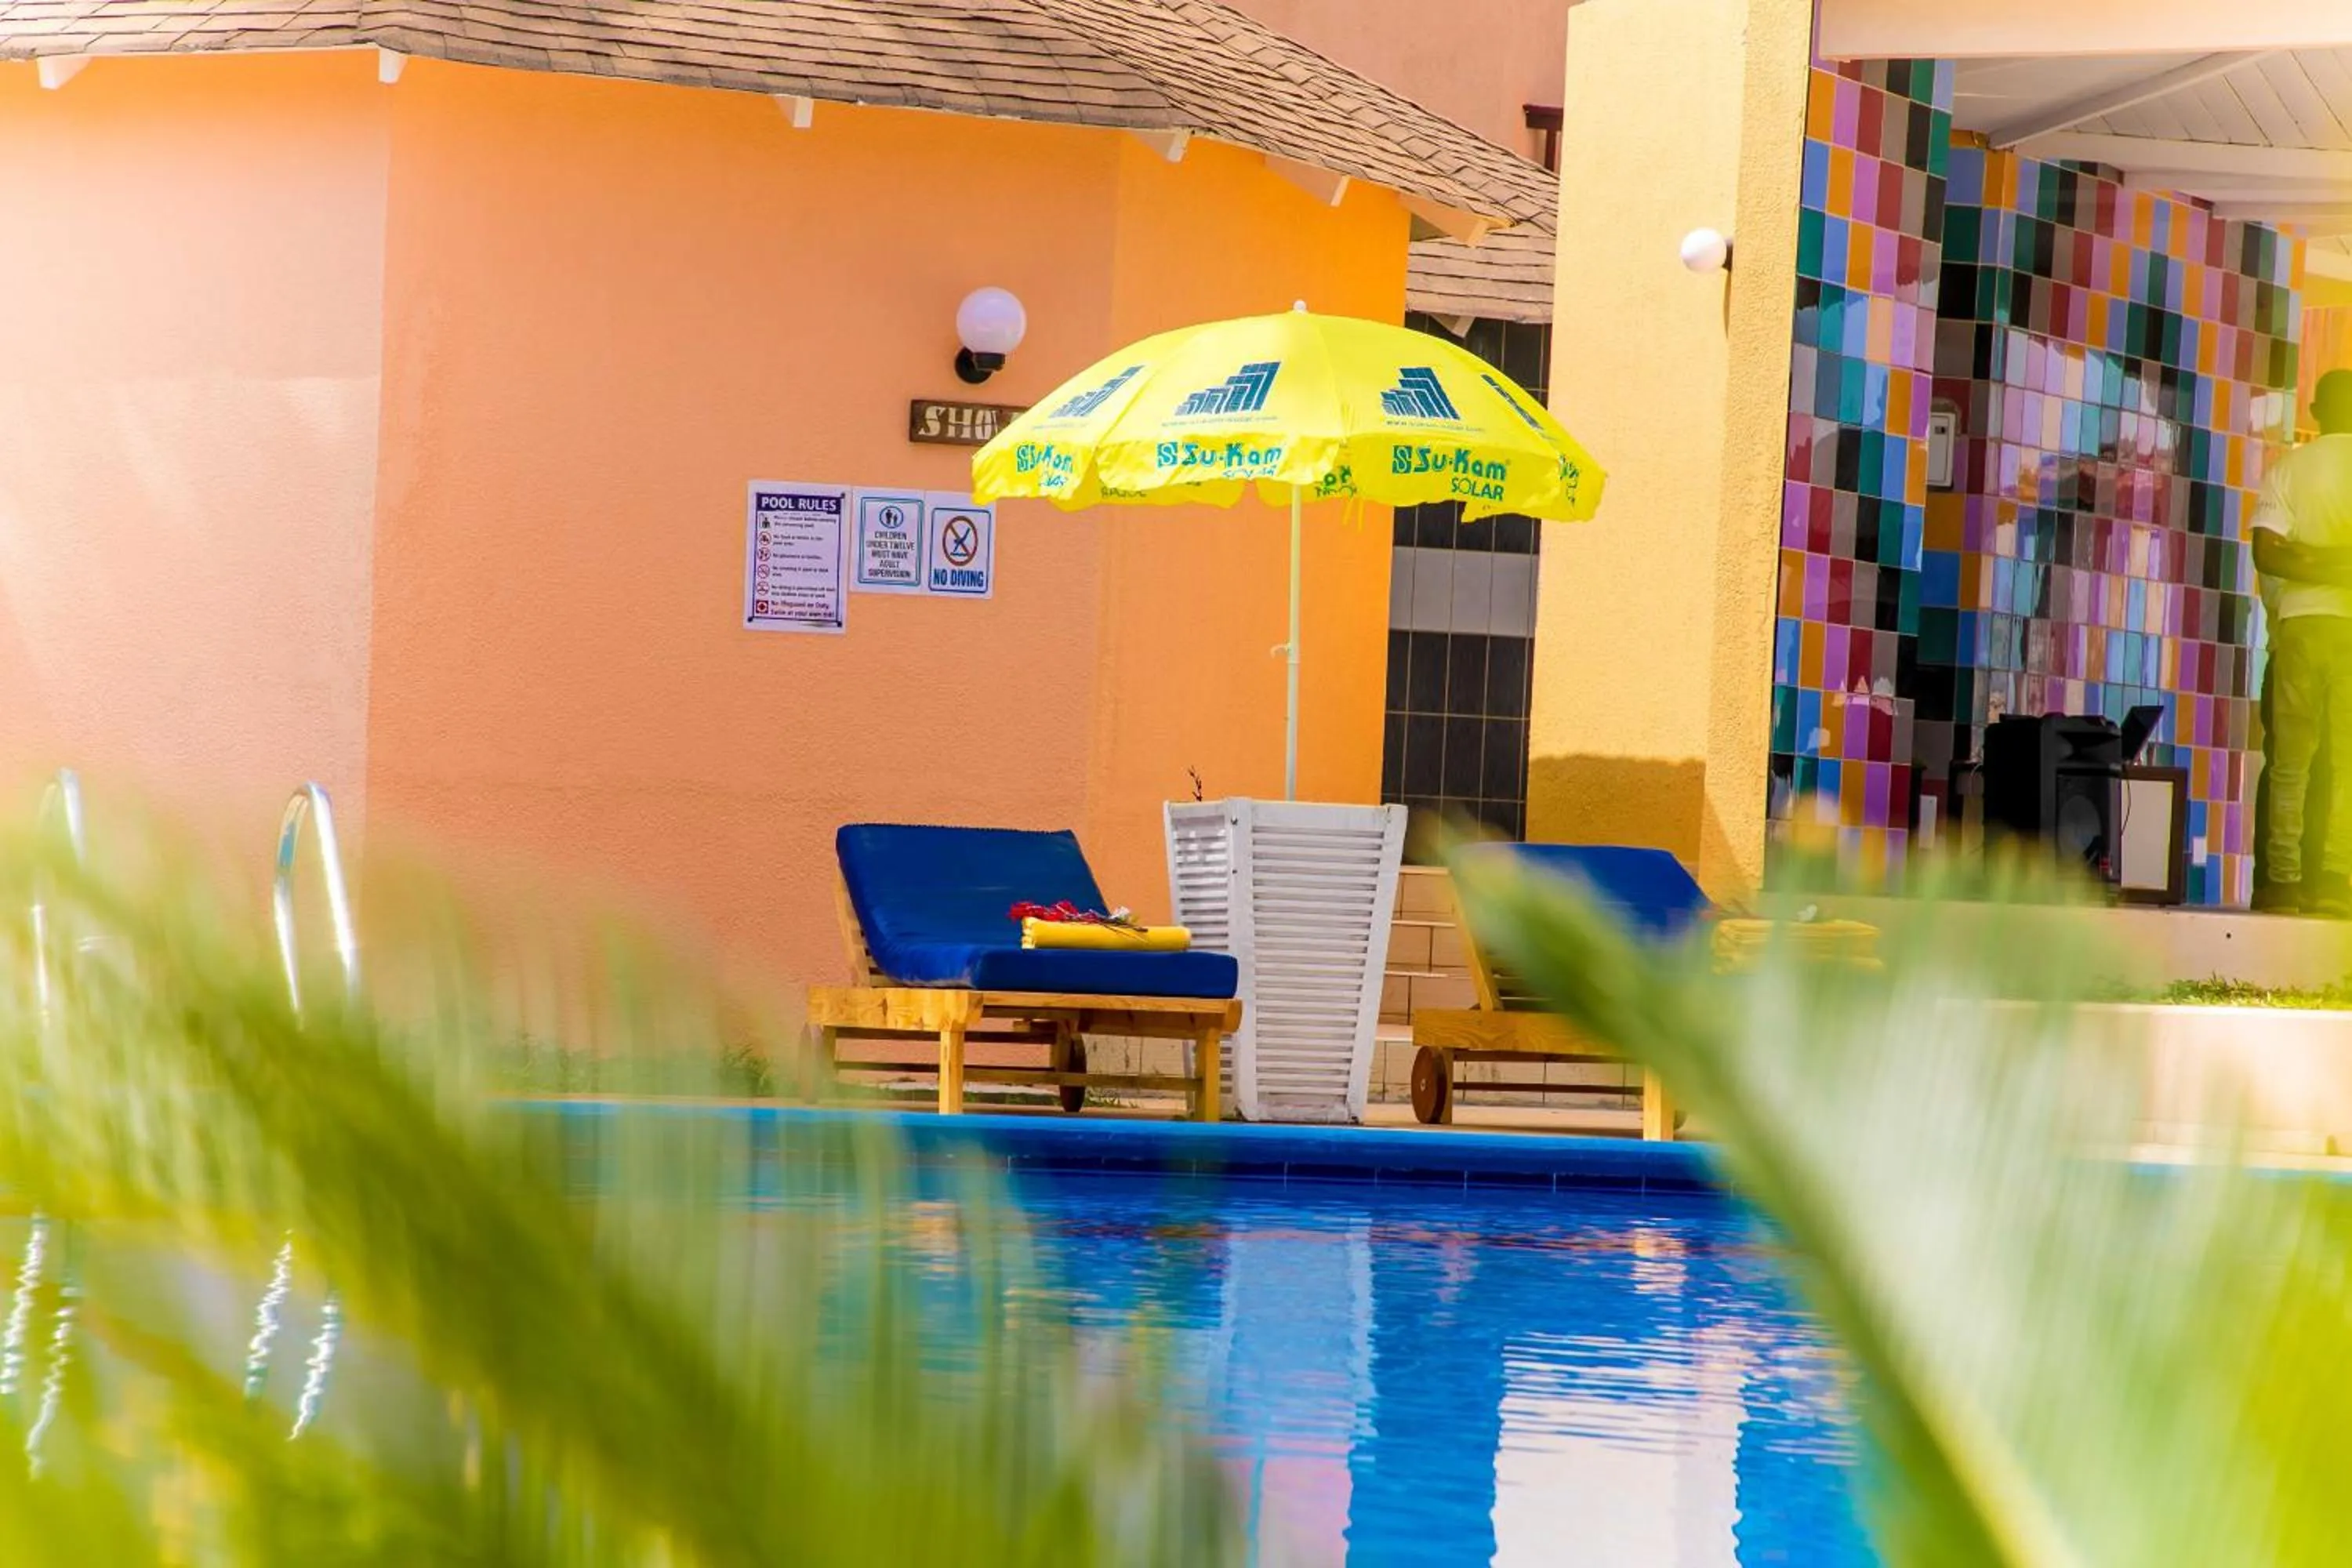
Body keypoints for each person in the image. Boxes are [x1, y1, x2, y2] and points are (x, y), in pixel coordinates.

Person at [2250, 369, 2352, 914]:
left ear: (2315, 411)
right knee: (2347, 763)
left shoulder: (2288, 468)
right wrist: (2342, 565)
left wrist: (2307, 560)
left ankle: (2283, 881)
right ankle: (2337, 879)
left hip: (2300, 624)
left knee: (2291, 760)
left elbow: (2268, 554)